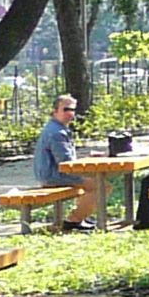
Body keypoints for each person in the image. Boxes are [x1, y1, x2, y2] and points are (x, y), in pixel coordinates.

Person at [32, 94, 96, 229]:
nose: (70, 113)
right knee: (101, 186)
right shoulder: (56, 133)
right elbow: (66, 163)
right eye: (65, 109)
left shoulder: (57, 127)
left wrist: (89, 157)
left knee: (93, 181)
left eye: (72, 110)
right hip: (54, 177)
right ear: (55, 111)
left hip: (55, 174)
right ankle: (74, 220)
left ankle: (80, 216)